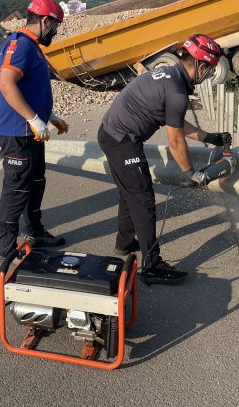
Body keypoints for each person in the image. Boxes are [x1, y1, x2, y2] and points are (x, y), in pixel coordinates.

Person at [97, 34, 229, 284]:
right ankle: (152, 265)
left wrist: (208, 137)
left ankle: (125, 243)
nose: (209, 76)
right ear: (201, 66)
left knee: (130, 193)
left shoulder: (169, 76)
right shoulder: (177, 91)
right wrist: (193, 174)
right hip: (121, 140)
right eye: (210, 71)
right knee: (143, 197)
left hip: (110, 134)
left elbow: (174, 120)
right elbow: (175, 141)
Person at [0, 0, 70, 259]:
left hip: (30, 131)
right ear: (46, 20)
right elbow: (6, 85)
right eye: (56, 25)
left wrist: (48, 116)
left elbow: (29, 88)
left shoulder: (32, 45)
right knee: (16, 190)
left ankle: (35, 232)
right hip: (18, 133)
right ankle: (6, 246)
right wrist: (34, 119)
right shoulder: (21, 45)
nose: (56, 32)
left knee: (35, 183)